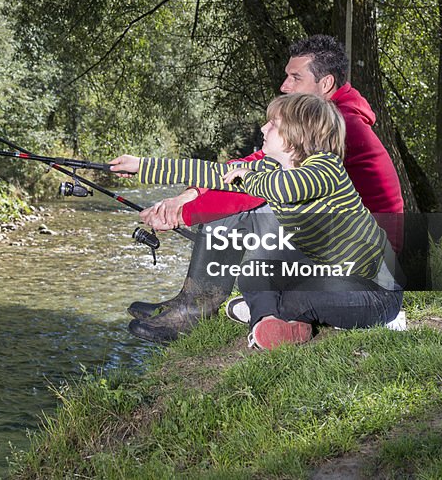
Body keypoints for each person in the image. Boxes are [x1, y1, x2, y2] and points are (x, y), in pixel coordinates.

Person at [125, 35, 404, 343]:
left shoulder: (339, 126)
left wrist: (185, 213)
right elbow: (246, 166)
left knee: (242, 213)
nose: (285, 85)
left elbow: (262, 188)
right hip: (325, 243)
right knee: (254, 248)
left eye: (295, 77)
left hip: (362, 266)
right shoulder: (321, 121)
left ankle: (199, 309)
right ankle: (206, 305)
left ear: (324, 84)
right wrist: (172, 184)